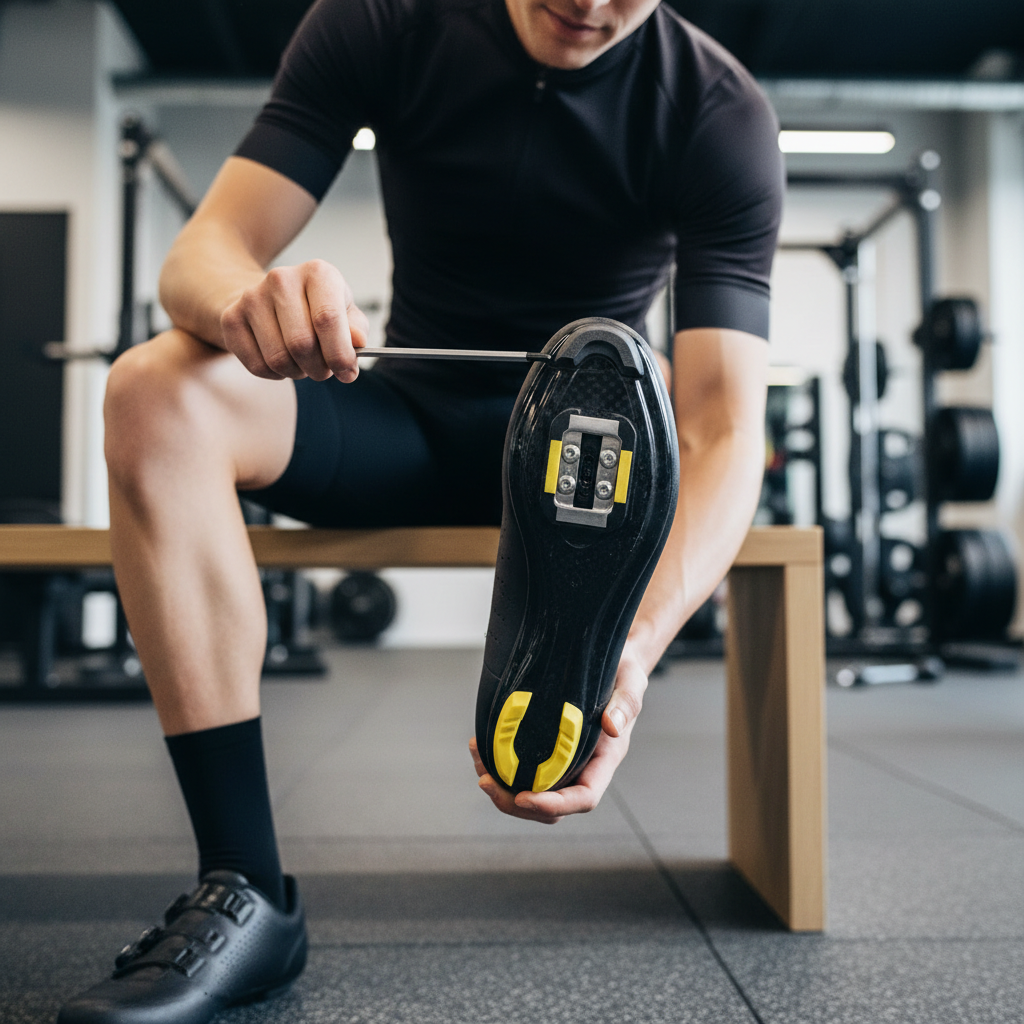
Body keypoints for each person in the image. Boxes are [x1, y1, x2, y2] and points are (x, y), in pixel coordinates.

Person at [59, 0, 782, 1019]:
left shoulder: (716, 112)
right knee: (151, 390)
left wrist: (631, 647)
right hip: (399, 413)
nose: (585, 2)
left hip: (580, 469)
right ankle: (245, 888)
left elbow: (719, 429)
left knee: (630, 441)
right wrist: (248, 302)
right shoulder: (385, 20)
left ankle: (585, 625)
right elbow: (204, 250)